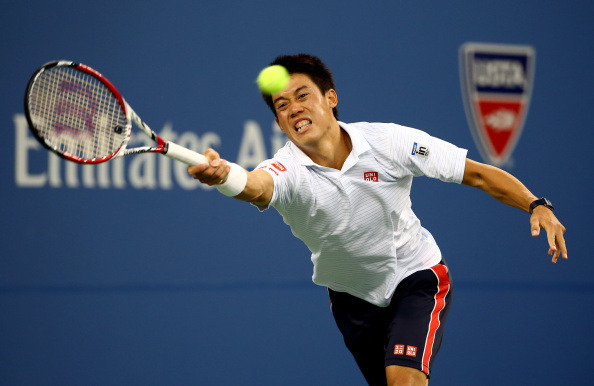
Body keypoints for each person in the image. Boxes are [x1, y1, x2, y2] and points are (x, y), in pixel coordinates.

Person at [187, 54, 567, 386]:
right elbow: (255, 186)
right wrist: (225, 177)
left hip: (416, 276)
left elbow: (478, 174)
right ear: (279, 121)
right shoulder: (285, 169)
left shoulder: (388, 143)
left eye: (303, 95)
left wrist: (537, 204)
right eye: (282, 105)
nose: (294, 108)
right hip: (352, 299)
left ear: (330, 98)